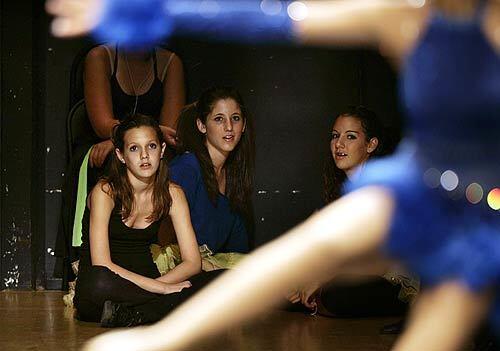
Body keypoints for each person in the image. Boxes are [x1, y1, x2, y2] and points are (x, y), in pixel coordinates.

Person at [47, 1, 500, 350]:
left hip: (486, 199)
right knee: (314, 246)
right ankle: (158, 338)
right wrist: (158, 9)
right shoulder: (403, 16)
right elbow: (273, 16)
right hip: (431, 186)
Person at [58, 42, 185, 302]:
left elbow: (169, 133)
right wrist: (126, 143)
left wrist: (142, 142)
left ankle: (152, 280)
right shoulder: (100, 57)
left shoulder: (170, 62)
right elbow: (101, 122)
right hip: (106, 146)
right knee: (103, 160)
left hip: (140, 146)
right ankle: (79, 270)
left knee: (172, 164)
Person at [74, 114, 218, 327]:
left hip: (148, 281)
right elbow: (101, 262)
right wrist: (159, 289)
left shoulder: (173, 194)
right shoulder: (105, 192)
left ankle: (136, 314)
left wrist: (159, 284)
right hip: (108, 285)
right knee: (98, 282)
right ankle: (159, 308)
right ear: (120, 155)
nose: (144, 156)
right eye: (134, 148)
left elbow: (192, 262)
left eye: (151, 146)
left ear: (162, 150)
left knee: (220, 278)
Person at [288, 106, 415, 318]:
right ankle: (314, 298)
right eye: (335, 136)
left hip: (389, 281)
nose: (339, 144)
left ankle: (319, 299)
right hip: (347, 278)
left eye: (351, 137)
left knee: (338, 294)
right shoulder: (340, 194)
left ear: (371, 145)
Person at [152, 88, 255, 274]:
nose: (229, 127)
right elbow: (161, 238)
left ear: (244, 125)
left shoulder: (234, 177)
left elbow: (237, 250)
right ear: (201, 125)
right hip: (173, 267)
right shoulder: (187, 168)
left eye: (236, 118)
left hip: (207, 268)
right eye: (219, 119)